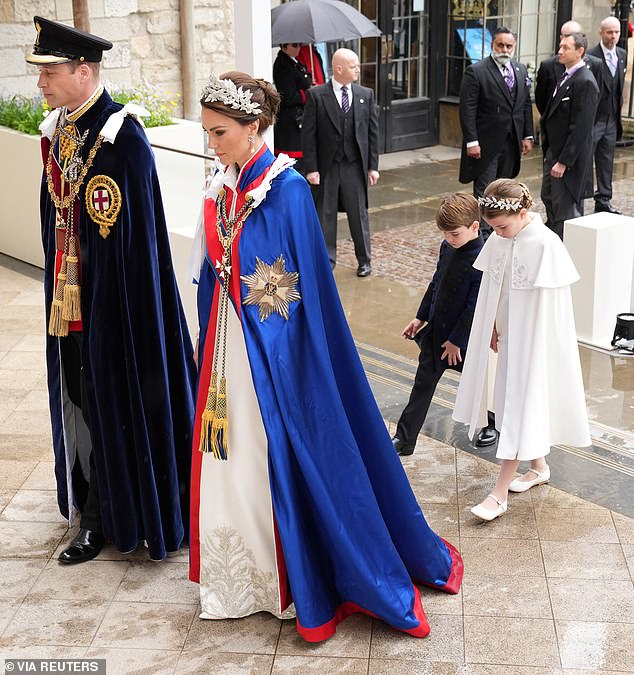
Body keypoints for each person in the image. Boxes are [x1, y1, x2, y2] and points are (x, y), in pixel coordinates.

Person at [189, 71, 463, 642]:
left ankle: (294, 574)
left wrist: (248, 302)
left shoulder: (285, 190)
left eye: (219, 133)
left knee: (271, 454)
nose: (211, 144)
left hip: (275, 355)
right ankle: (242, 573)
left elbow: (296, 292)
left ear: (252, 126)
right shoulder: (223, 185)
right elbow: (209, 267)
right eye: (209, 133)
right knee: (230, 456)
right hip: (228, 348)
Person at [26, 17, 196, 564]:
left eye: (50, 71)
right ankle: (92, 504)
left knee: (107, 403)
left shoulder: (121, 138)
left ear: (84, 70)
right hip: (69, 302)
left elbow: (141, 244)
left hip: (117, 306)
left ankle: (106, 518)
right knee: (79, 399)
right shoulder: (60, 132)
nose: (41, 83)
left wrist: (113, 308)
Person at [452, 180, 591, 521]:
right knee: (510, 403)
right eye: (492, 228)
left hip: (533, 344)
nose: (496, 234)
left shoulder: (546, 244)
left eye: (501, 227)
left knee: (516, 408)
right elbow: (495, 289)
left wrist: (536, 345)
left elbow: (552, 310)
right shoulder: (502, 239)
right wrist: (494, 326)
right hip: (510, 340)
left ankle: (499, 493)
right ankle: (539, 467)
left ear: (523, 213)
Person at [392, 194, 483, 456]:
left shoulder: (481, 257)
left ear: (474, 227)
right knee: (422, 386)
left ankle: (493, 423)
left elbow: (473, 306)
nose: (448, 239)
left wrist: (457, 341)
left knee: (481, 384)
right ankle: (405, 439)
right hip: (435, 336)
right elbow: (436, 284)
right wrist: (420, 317)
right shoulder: (448, 247)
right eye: (444, 234)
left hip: (461, 342)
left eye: (453, 234)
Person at [301, 48, 379, 277]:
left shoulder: (366, 94)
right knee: (325, 215)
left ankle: (365, 260)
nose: (358, 69)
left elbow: (373, 133)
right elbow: (308, 135)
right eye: (353, 66)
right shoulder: (316, 95)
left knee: (359, 214)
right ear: (339, 69)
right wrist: (311, 169)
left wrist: (373, 166)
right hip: (327, 167)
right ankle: (327, 261)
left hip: (354, 165)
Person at [458, 26, 534, 237]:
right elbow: (468, 108)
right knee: (486, 192)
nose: (504, 49)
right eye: (500, 45)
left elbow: (525, 104)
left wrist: (527, 135)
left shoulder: (519, 70)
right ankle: (482, 234)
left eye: (509, 46)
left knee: (505, 191)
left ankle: (503, 229)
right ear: (492, 45)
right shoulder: (477, 71)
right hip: (485, 144)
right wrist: (471, 141)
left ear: (514, 47)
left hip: (511, 143)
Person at [540, 31, 599, 240]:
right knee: (548, 199)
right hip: (553, 153)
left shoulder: (586, 81)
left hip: (568, 162)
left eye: (565, 47)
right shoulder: (566, 76)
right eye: (560, 46)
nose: (559, 52)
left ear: (580, 51)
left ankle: (565, 254)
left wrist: (564, 162)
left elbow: (581, 128)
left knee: (566, 212)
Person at [588, 16, 627, 214]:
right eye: (609, 32)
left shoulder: (621, 54)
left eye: (617, 32)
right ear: (601, 33)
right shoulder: (590, 56)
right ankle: (580, 198)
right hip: (594, 120)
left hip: (611, 120)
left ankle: (603, 200)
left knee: (606, 161)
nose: (613, 36)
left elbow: (618, 86)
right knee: (585, 160)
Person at [534, 21, 603, 117]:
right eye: (567, 36)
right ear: (561, 38)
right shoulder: (547, 66)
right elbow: (541, 99)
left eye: (577, 36)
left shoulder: (595, 65)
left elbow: (595, 100)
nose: (571, 39)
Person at [272, 43, 312, 173]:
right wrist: (309, 94)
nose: (298, 48)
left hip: (298, 117)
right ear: (284, 46)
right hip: (290, 120)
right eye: (295, 45)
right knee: (293, 163)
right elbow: (288, 97)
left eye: (299, 44)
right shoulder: (283, 65)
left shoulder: (294, 61)